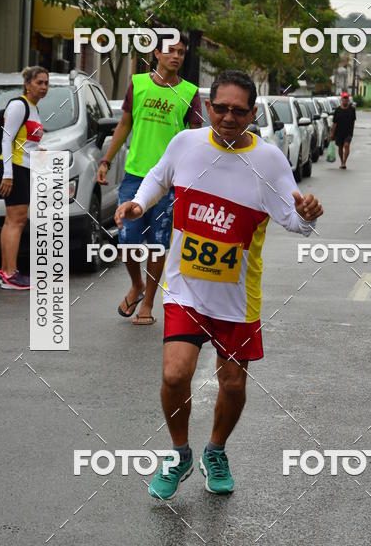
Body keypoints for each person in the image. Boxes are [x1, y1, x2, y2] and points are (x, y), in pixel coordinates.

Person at [114, 69, 323, 499]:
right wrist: (139, 203)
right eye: (220, 108)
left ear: (252, 114)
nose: (228, 117)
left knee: (232, 385)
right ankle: (178, 454)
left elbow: (295, 220)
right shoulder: (186, 144)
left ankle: (216, 450)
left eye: (238, 111)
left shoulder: (268, 161)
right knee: (175, 374)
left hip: (235, 298)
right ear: (208, 108)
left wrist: (309, 212)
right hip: (184, 288)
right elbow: (158, 175)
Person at [97, 32, 201, 324]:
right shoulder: (138, 84)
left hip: (170, 182)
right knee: (128, 241)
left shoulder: (190, 92)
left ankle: (148, 304)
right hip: (135, 176)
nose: (176, 56)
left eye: (181, 52)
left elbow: (195, 138)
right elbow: (124, 124)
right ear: (156, 53)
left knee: (158, 244)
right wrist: (106, 161)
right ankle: (137, 285)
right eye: (171, 51)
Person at [0, 66, 48, 289]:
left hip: (24, 167)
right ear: (27, 84)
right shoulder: (19, 105)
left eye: (47, 83)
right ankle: (10, 274)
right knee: (16, 220)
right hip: (14, 168)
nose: (44, 87)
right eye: (39, 82)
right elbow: (6, 140)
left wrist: (39, 152)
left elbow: (25, 143)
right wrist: (8, 174)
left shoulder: (33, 108)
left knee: (14, 220)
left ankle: (5, 271)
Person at [330, 91, 356, 169]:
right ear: (341, 99)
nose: (345, 100)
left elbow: (353, 121)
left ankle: (344, 162)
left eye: (346, 98)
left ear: (348, 100)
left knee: (346, 145)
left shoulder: (352, 110)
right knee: (340, 147)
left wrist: (352, 131)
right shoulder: (337, 110)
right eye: (344, 98)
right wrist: (332, 133)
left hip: (348, 132)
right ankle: (342, 161)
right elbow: (334, 123)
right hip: (339, 132)